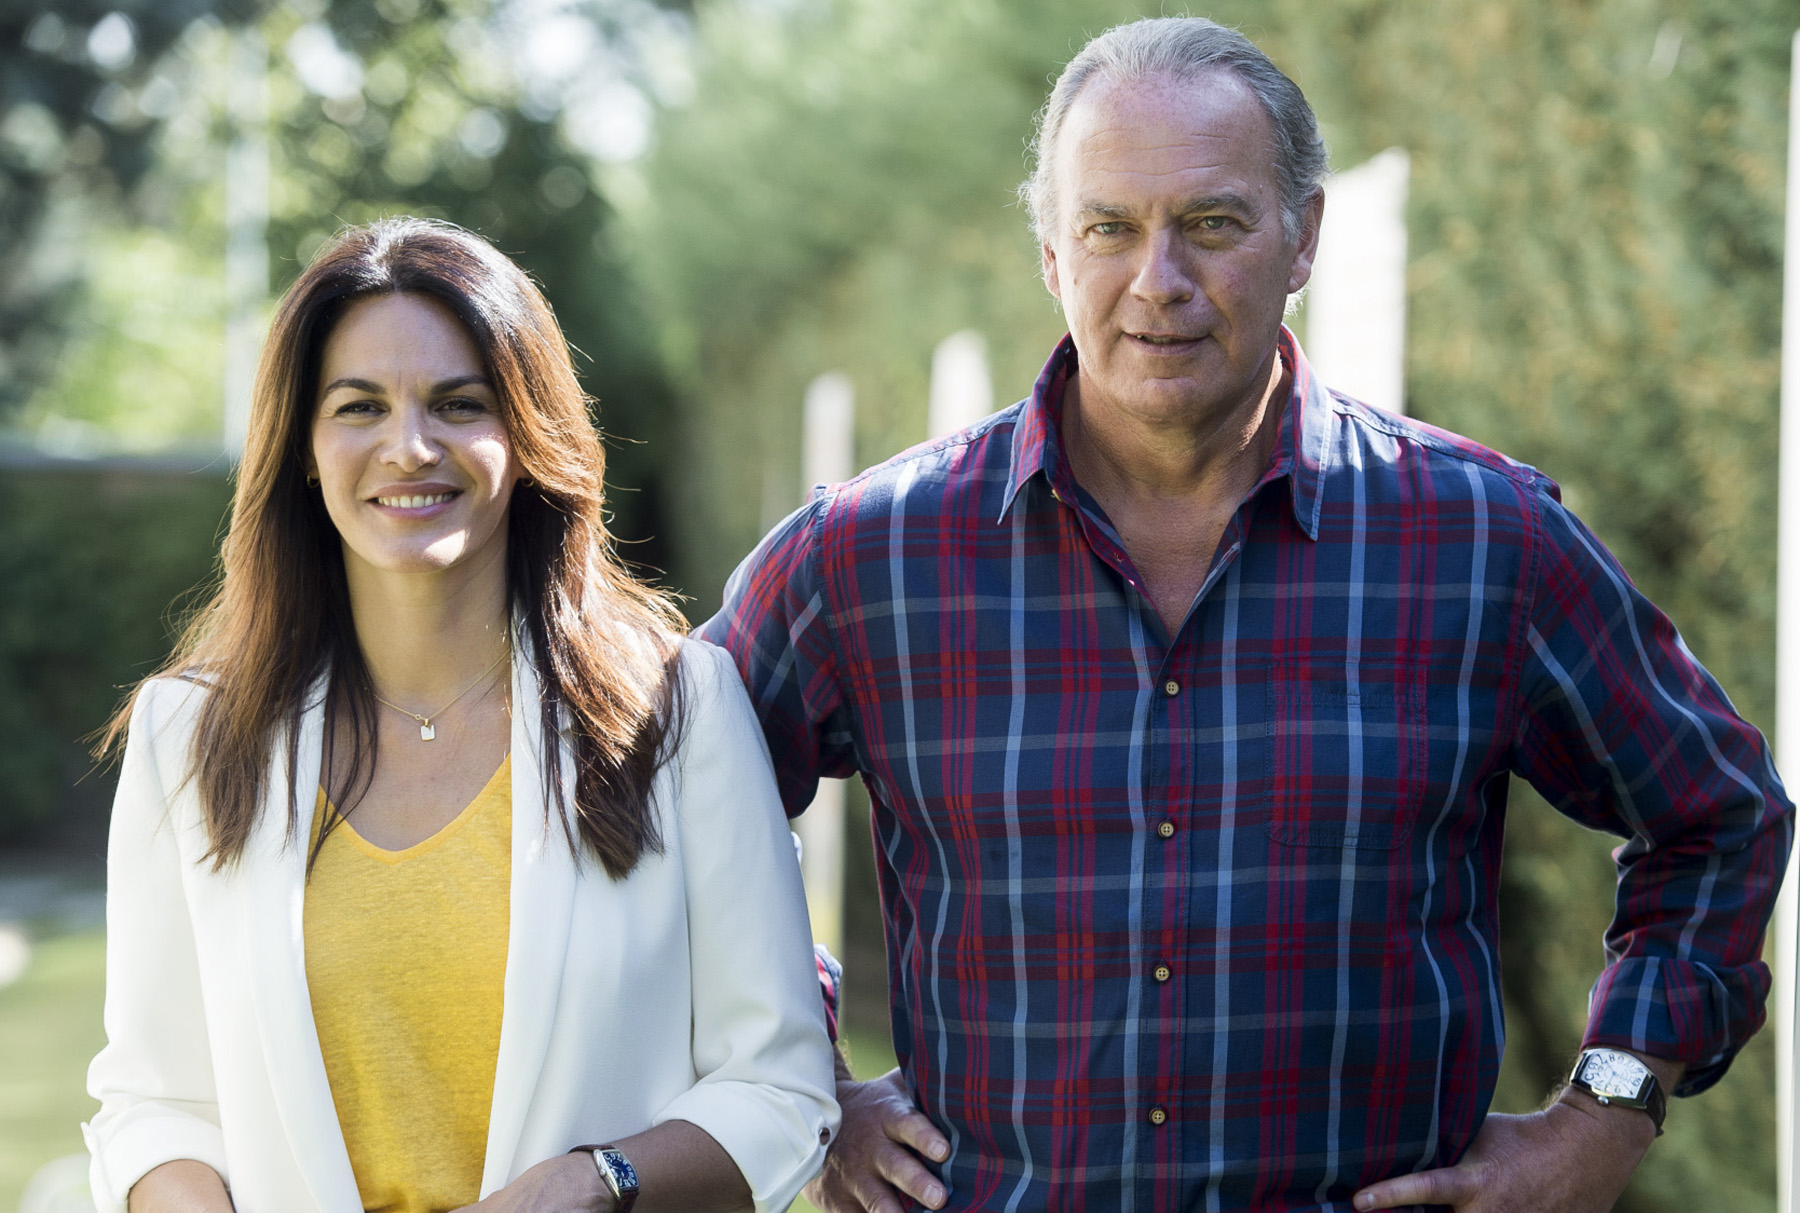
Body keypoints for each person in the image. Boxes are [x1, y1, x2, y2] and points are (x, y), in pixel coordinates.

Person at [699, 15, 1794, 1213]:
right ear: (1053, 256)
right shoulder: (867, 559)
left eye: (1212, 223)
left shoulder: (1485, 542)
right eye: (1108, 227)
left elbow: (1718, 818)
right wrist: (805, 1080)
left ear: (1303, 235)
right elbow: (667, 818)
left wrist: (1607, 1112)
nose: (1157, 282)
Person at [84, 218, 838, 1213]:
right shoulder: (191, 737)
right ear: (304, 449)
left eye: (458, 404)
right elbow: (153, 1099)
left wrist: (596, 1181)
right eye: (360, 406)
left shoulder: (679, 709)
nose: (408, 447)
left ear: (525, 438)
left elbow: (781, 1088)